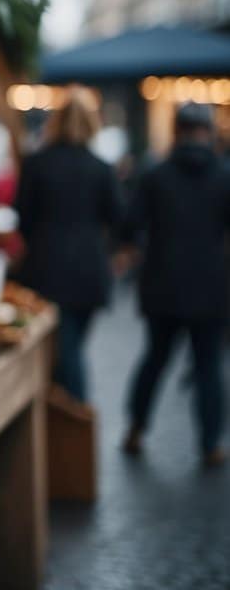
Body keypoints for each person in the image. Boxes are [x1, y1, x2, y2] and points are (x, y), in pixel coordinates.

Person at [121, 102, 228, 467]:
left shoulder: (156, 175)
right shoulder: (225, 174)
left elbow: (131, 224)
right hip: (212, 287)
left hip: (162, 284)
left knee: (155, 359)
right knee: (209, 367)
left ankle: (136, 428)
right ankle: (211, 444)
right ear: (208, 131)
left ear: (177, 129)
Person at [14, 88, 120, 403]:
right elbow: (117, 219)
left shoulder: (36, 163)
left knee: (64, 349)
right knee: (72, 346)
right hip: (89, 269)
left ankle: (71, 421)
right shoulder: (101, 168)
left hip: (47, 268)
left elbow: (23, 218)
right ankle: (70, 417)